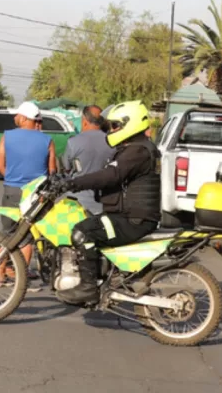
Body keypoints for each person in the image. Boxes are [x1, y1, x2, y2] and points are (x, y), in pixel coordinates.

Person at [53, 100, 161, 305]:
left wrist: (72, 183)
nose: (110, 130)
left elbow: (111, 175)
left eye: (115, 125)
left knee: (82, 232)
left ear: (131, 123)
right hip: (130, 215)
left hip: (133, 219)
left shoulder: (138, 151)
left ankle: (88, 288)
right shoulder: (137, 148)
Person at [0, 101, 56, 285]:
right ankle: (21, 277)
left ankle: (0, 274)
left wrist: (13, 178)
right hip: (36, 196)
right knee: (27, 237)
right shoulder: (47, 140)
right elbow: (52, 171)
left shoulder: (7, 136)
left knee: (7, 233)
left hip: (12, 191)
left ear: (22, 118)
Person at [61, 105, 115, 214]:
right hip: (103, 203)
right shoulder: (112, 142)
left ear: (84, 121)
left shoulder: (73, 142)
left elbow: (66, 168)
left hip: (76, 203)